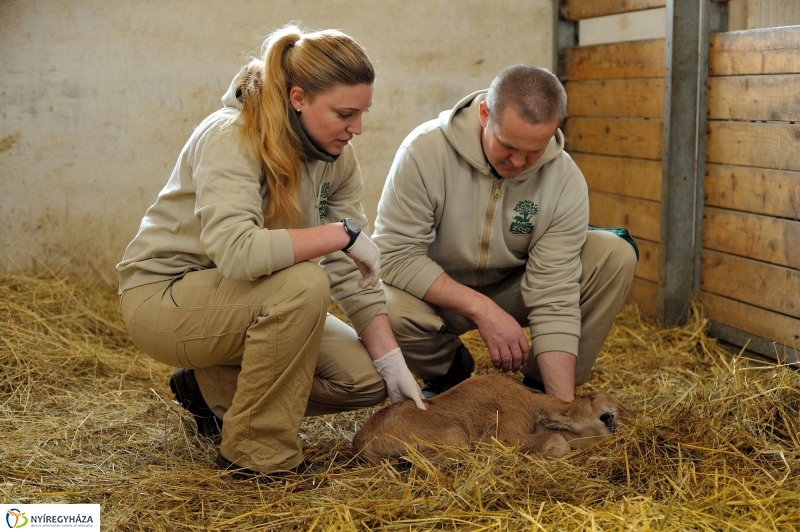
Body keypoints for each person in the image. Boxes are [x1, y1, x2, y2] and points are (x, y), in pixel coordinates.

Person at [116, 24, 425, 480]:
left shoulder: (335, 156)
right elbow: (239, 253)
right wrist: (340, 234)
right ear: (298, 98)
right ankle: (256, 456)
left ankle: (208, 391)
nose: (356, 129)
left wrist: (392, 364)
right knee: (302, 283)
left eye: (362, 113)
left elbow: (350, 265)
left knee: (361, 379)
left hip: (245, 299)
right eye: (344, 114)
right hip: (165, 298)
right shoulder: (230, 135)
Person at [372, 64, 638, 403]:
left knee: (615, 253)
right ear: (485, 114)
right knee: (379, 302)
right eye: (507, 146)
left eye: (534, 151)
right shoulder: (423, 152)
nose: (517, 163)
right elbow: (395, 256)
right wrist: (482, 309)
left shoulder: (565, 180)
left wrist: (561, 412)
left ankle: (541, 389)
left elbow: (554, 290)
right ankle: (448, 370)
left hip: (516, 290)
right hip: (437, 295)